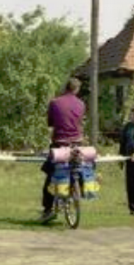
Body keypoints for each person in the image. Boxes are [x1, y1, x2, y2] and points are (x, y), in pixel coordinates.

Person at [40, 77, 85, 222]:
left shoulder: (55, 102)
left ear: (66, 87)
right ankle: (79, 190)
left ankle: (48, 209)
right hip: (77, 143)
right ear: (77, 89)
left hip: (60, 143)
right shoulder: (81, 104)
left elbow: (50, 123)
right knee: (78, 168)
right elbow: (80, 121)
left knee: (51, 173)